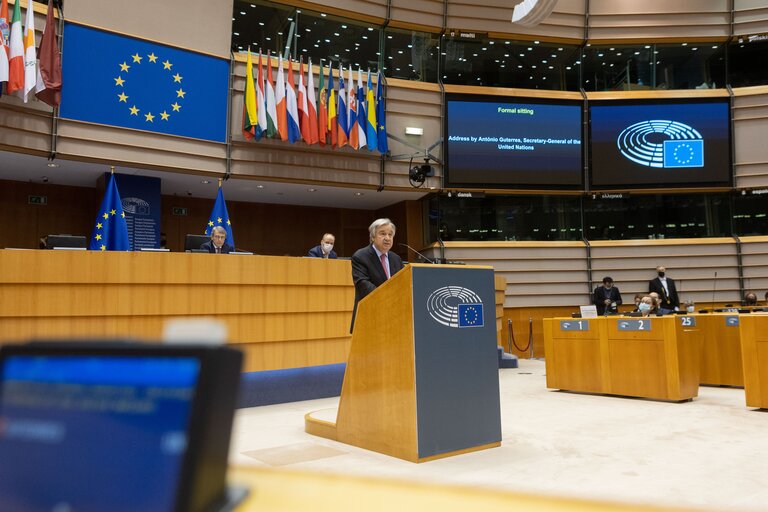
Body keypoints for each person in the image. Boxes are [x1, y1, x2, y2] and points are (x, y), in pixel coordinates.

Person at [350, 218, 404, 333]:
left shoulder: (396, 259)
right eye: (382, 234)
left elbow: (403, 282)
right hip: (370, 314)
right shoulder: (360, 256)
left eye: (390, 234)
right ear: (373, 237)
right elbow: (363, 284)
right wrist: (388, 298)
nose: (387, 238)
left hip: (394, 316)